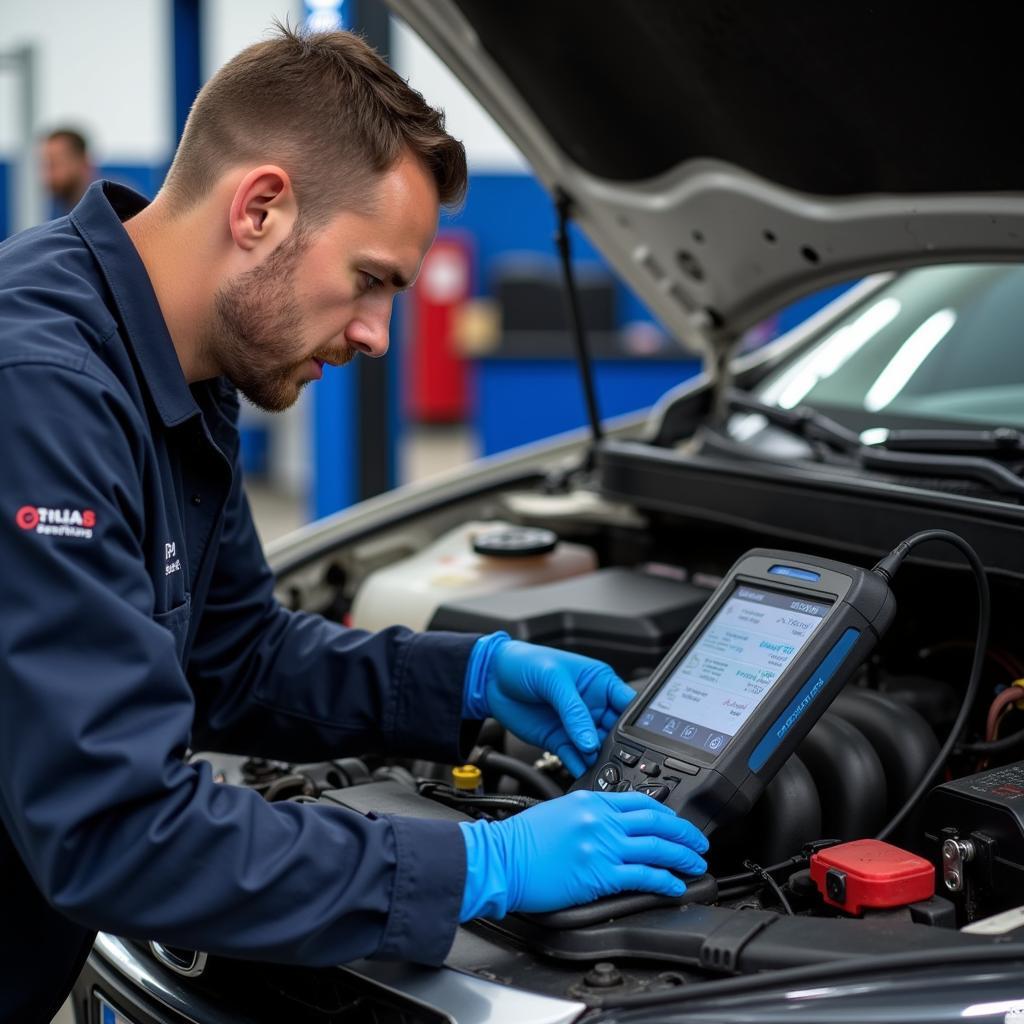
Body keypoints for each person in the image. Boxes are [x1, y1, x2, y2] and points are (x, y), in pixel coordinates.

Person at [0, 26, 709, 1023]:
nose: (378, 335)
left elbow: (232, 655)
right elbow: (114, 833)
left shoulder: (172, 364)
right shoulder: (42, 392)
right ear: (258, 208)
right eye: (371, 278)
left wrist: (466, 679)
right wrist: (478, 861)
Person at [39, 126, 94, 216]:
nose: (48, 175)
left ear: (83, 162)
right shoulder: (57, 211)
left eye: (54, 164)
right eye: (45, 166)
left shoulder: (113, 212)